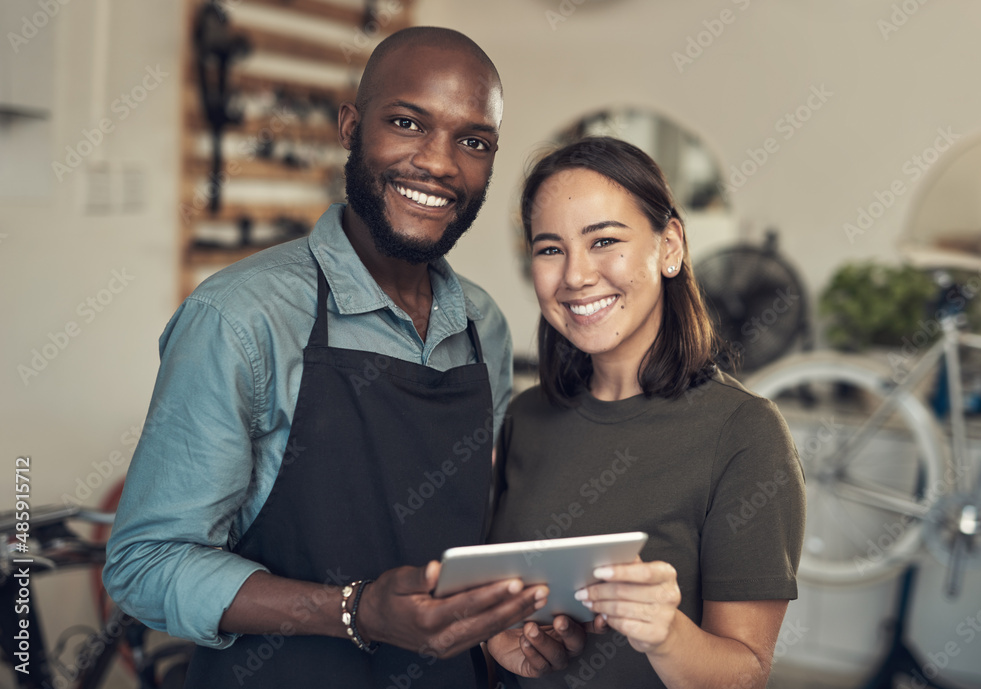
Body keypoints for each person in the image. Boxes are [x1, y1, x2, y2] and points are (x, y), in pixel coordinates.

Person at [103, 27, 560, 688]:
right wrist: (354, 611)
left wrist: (502, 620)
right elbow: (144, 564)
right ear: (351, 128)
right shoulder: (241, 317)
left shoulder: (482, 324)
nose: (438, 163)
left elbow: (459, 534)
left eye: (473, 141)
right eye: (408, 123)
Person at [484, 137, 806, 688]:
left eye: (604, 240)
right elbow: (496, 602)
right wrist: (503, 639)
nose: (576, 276)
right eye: (550, 249)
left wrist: (666, 634)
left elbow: (746, 674)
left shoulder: (745, 435)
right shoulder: (526, 416)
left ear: (670, 246)